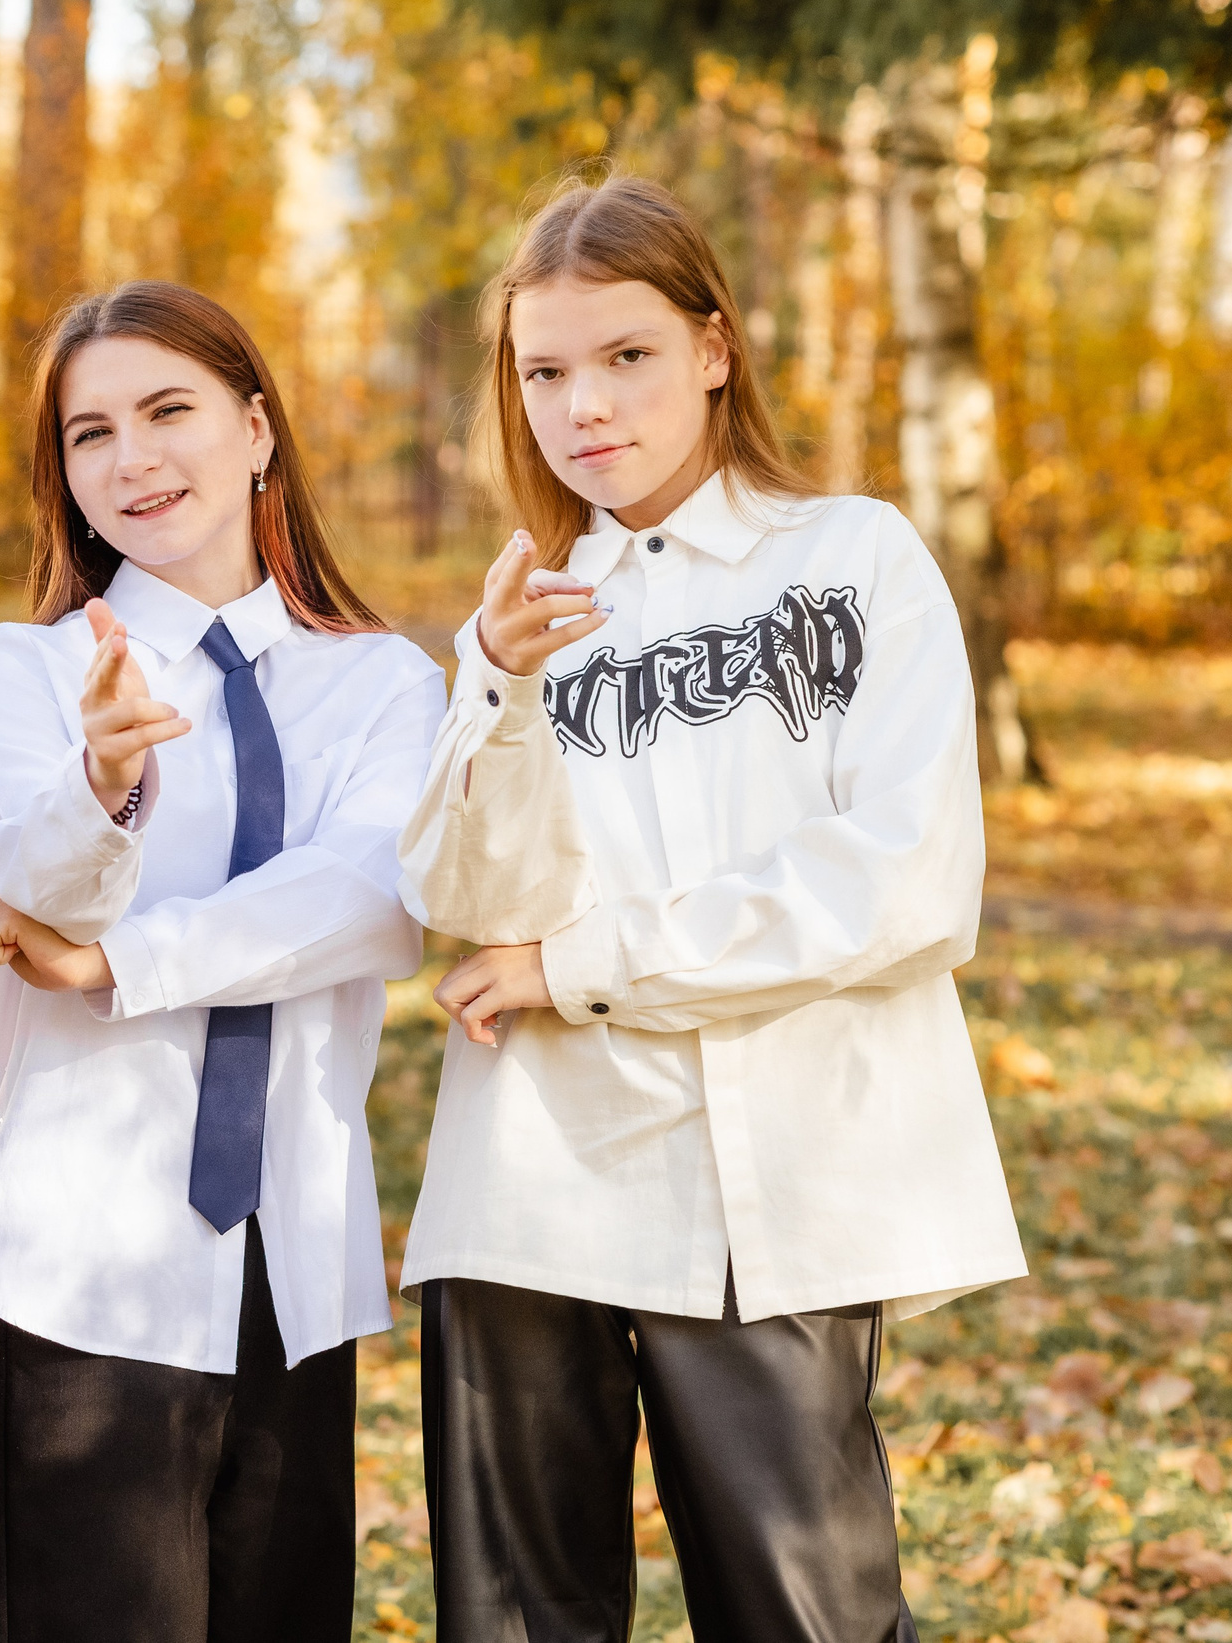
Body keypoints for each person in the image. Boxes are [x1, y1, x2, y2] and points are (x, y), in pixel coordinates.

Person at [394, 174, 1026, 1641]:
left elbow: (903, 881)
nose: (584, 406)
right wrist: (500, 684)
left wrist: (586, 962)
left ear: (715, 348)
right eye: (544, 372)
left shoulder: (854, 558)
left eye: (627, 356)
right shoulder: (529, 608)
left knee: (809, 1614)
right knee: (522, 1617)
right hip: (529, 1182)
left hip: (782, 1182)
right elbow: (463, 898)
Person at [0, 281, 445, 1642]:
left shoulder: (384, 682)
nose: (133, 459)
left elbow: (371, 902)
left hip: (295, 1261)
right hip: (83, 1256)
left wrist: (121, 963)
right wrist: (105, 781)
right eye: (90, 434)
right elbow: (37, 888)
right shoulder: (25, 670)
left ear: (258, 431)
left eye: (169, 411)